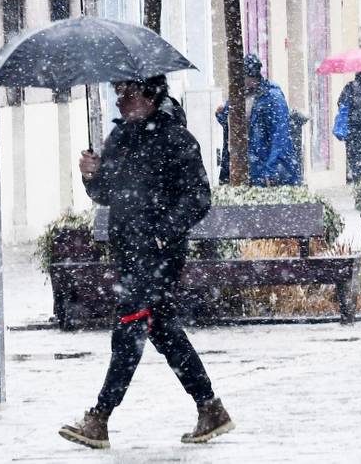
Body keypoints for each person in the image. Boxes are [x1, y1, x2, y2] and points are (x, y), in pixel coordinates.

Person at [60, 75, 234, 449]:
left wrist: (163, 232)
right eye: (116, 92)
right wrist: (91, 176)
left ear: (148, 95)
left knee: (129, 326)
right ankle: (210, 407)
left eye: (125, 92)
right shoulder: (121, 138)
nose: (119, 100)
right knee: (163, 330)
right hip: (129, 252)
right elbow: (107, 193)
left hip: (159, 256)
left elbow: (199, 197)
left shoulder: (176, 139)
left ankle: (100, 417)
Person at [243, 54, 302, 186]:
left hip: (269, 166)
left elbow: (280, 135)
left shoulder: (271, 97)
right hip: (256, 165)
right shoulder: (244, 96)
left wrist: (271, 169)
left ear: (250, 76)